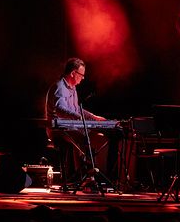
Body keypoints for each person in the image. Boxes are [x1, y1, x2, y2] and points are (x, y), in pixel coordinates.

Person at [45, 57, 122, 185]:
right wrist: (78, 117)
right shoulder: (60, 87)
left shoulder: (72, 88)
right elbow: (60, 109)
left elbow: (77, 110)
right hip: (58, 129)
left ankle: (92, 175)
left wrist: (93, 117)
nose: (83, 78)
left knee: (98, 137)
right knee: (84, 138)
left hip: (70, 127)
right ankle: (83, 176)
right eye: (81, 75)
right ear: (73, 73)